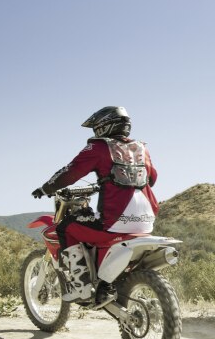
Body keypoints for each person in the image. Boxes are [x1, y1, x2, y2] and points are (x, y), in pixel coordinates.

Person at [32, 106, 159, 301]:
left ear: (103, 126)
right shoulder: (141, 148)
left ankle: (80, 286)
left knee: (66, 227)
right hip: (147, 220)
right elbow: (152, 179)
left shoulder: (99, 146)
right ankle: (105, 280)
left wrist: (45, 189)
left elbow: (71, 171)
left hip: (115, 221)